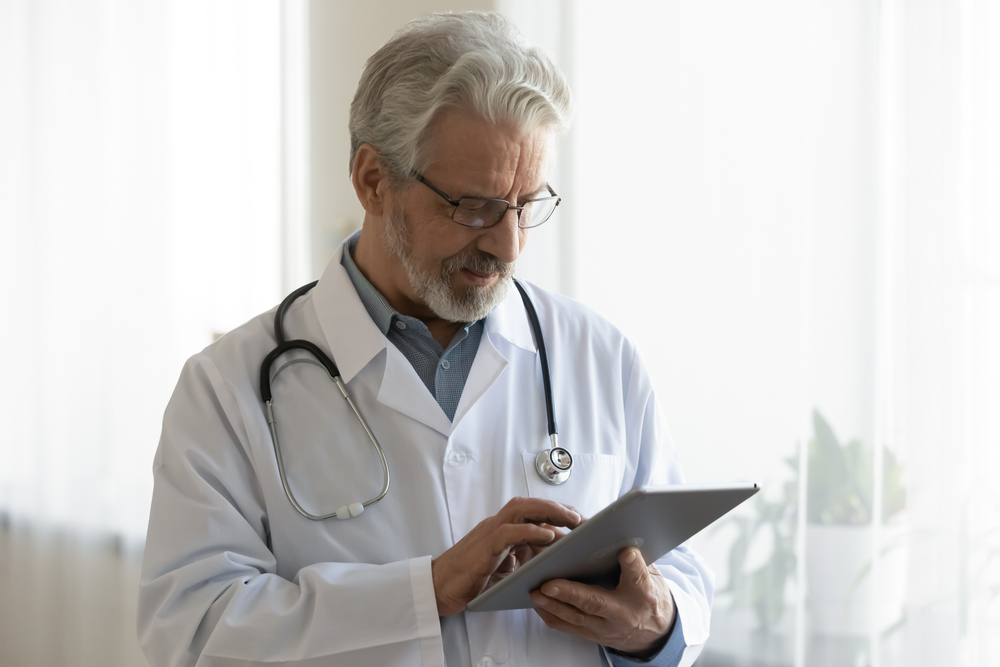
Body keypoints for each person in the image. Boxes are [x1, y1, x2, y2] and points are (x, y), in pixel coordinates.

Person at [138, 11, 713, 667]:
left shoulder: (600, 357)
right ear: (373, 180)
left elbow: (685, 575)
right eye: (475, 206)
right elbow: (188, 630)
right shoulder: (224, 388)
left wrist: (657, 624)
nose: (508, 243)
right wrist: (424, 590)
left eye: (528, 204)